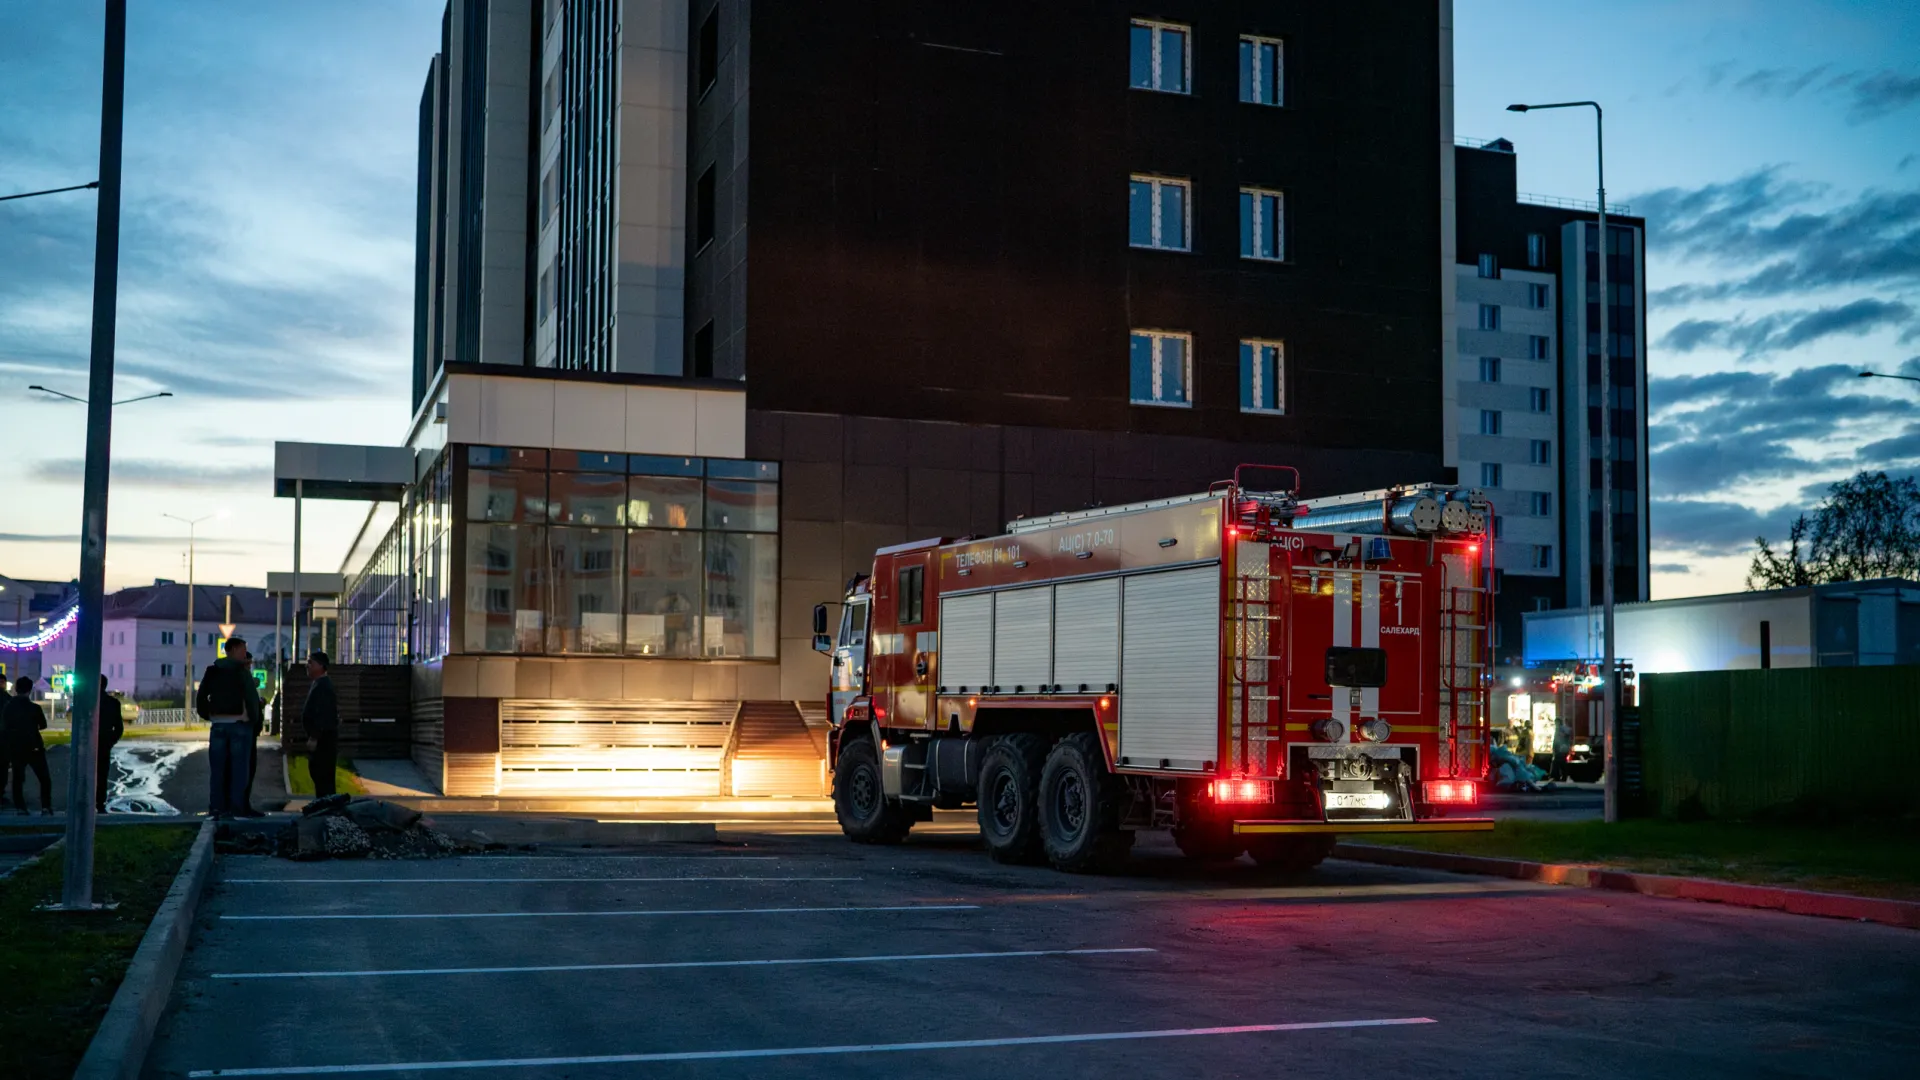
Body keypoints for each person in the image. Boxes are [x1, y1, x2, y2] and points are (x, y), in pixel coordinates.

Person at [196, 637, 263, 819]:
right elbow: (250, 697)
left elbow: (201, 696)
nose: (244, 653)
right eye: (242, 649)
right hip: (240, 726)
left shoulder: (213, 671)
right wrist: (253, 720)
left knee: (218, 770)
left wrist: (209, 714)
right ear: (232, 650)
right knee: (239, 770)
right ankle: (237, 808)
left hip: (218, 726)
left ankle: (217, 808)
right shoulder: (241, 671)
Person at [3, 676, 54, 815]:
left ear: (15, 689)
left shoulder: (8, 707)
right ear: (30, 690)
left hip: (16, 747)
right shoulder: (34, 708)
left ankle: (21, 807)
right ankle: (45, 806)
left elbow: (5, 726)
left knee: (18, 778)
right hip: (34, 746)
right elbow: (43, 725)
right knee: (44, 778)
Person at [302, 651, 340, 799]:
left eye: (311, 663)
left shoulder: (323, 686)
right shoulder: (319, 684)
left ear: (321, 666)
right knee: (320, 776)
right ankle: (325, 807)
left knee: (323, 776)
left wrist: (314, 737)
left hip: (323, 742)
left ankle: (327, 810)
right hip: (323, 739)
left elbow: (323, 714)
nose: (308, 666)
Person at [97, 676, 126, 813]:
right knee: (102, 775)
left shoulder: (86, 701)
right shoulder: (113, 703)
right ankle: (100, 803)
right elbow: (118, 728)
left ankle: (84, 802)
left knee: (83, 774)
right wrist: (110, 742)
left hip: (86, 745)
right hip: (104, 744)